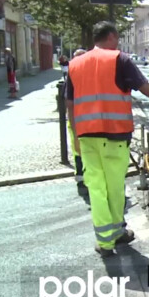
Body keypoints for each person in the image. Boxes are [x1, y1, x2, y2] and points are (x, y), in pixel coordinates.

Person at [66, 21, 149, 258]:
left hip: (86, 137)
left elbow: (70, 104)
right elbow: (148, 90)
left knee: (96, 188)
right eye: (117, 38)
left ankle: (105, 240)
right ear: (111, 36)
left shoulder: (75, 64)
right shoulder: (120, 60)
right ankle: (115, 234)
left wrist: (75, 137)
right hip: (114, 135)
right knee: (114, 188)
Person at [66, 49, 88, 198]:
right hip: (78, 122)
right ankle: (81, 180)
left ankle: (84, 180)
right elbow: (69, 104)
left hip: (85, 122)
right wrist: (74, 131)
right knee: (79, 153)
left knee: (84, 153)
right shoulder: (73, 76)